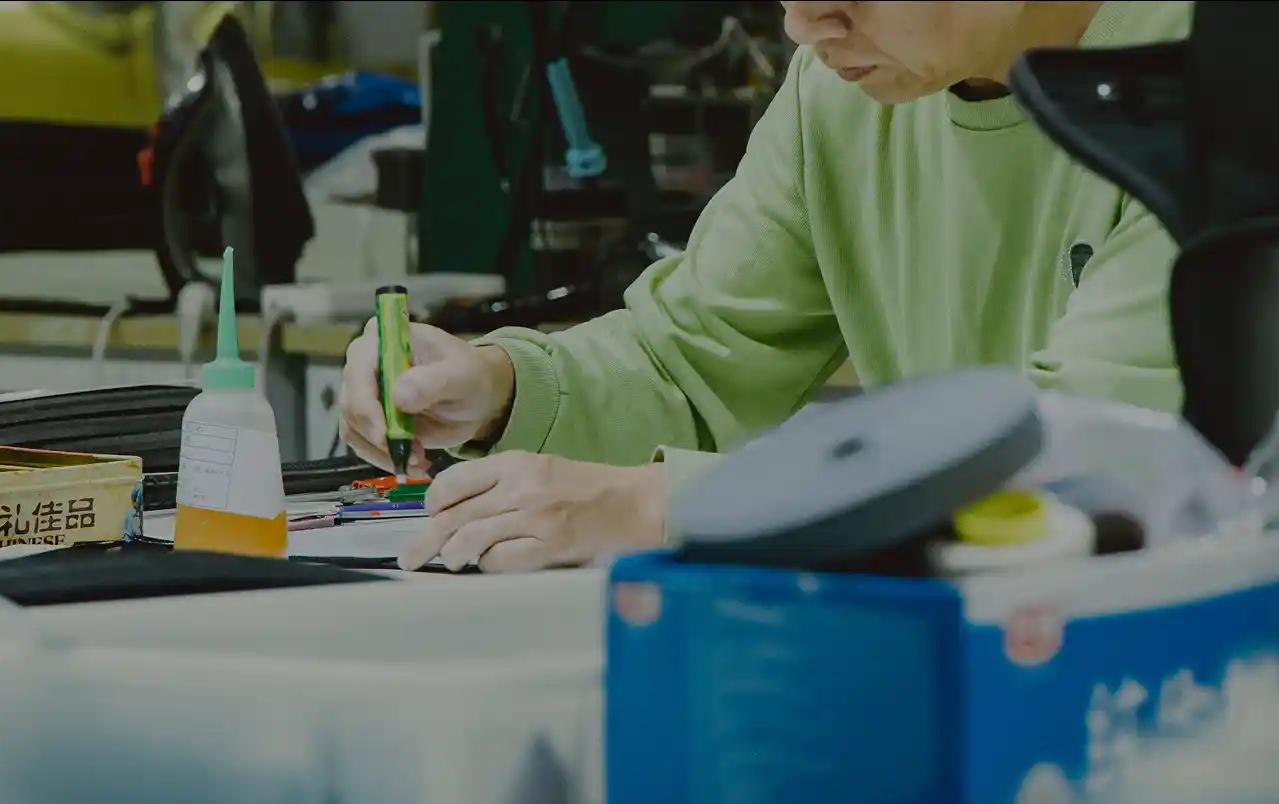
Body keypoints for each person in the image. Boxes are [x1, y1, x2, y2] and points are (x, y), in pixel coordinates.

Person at [339, 0, 1194, 573]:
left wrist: (661, 505)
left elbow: (1092, 455)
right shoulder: (843, 97)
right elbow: (691, 357)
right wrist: (502, 387)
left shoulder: (1214, 80)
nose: (802, 22)